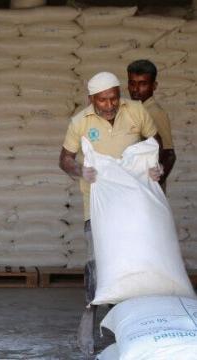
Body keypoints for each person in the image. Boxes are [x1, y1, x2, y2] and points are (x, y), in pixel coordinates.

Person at [59, 72, 163, 357]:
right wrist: (81, 170)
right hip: (97, 205)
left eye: (114, 98)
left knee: (132, 264)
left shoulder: (137, 112)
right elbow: (64, 159)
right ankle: (90, 315)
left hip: (133, 204)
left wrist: (157, 168)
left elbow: (157, 144)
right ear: (91, 99)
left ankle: (130, 324)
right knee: (96, 264)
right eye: (102, 100)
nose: (109, 104)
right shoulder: (80, 122)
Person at [127, 59, 176, 191]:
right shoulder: (136, 110)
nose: (136, 89)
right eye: (132, 83)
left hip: (149, 187)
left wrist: (154, 185)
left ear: (154, 86)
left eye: (143, 84)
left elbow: (169, 154)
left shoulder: (155, 112)